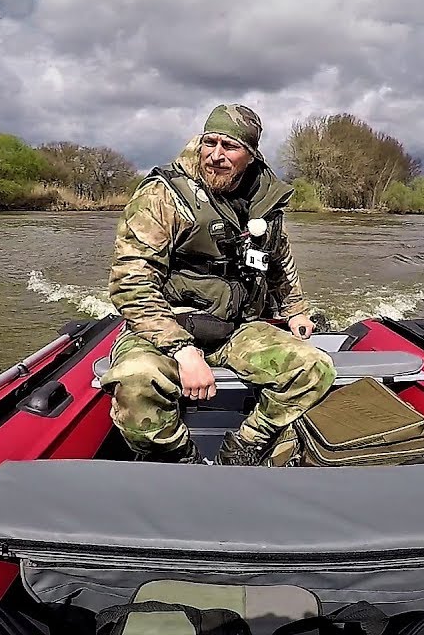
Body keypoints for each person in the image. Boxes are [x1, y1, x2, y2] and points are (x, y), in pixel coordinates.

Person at [100, 104, 336, 466]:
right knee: (136, 381)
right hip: (166, 324)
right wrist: (182, 350)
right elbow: (130, 281)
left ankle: (243, 447)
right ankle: (182, 460)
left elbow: (277, 259)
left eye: (230, 147)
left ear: (251, 154)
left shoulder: (265, 200)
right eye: (209, 142)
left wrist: (295, 309)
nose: (216, 156)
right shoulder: (163, 195)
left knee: (314, 368)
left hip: (234, 328)